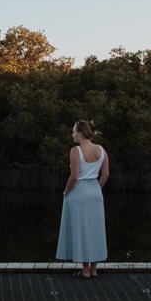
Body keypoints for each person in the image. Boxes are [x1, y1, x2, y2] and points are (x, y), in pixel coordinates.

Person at [56, 120, 109, 279]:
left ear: (80, 132)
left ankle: (85, 270)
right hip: (95, 191)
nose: (72, 134)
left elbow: (74, 176)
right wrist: (97, 189)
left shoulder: (75, 151)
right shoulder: (101, 149)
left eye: (73, 131)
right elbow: (105, 175)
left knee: (82, 230)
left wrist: (66, 191)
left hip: (79, 192)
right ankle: (94, 269)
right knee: (96, 229)